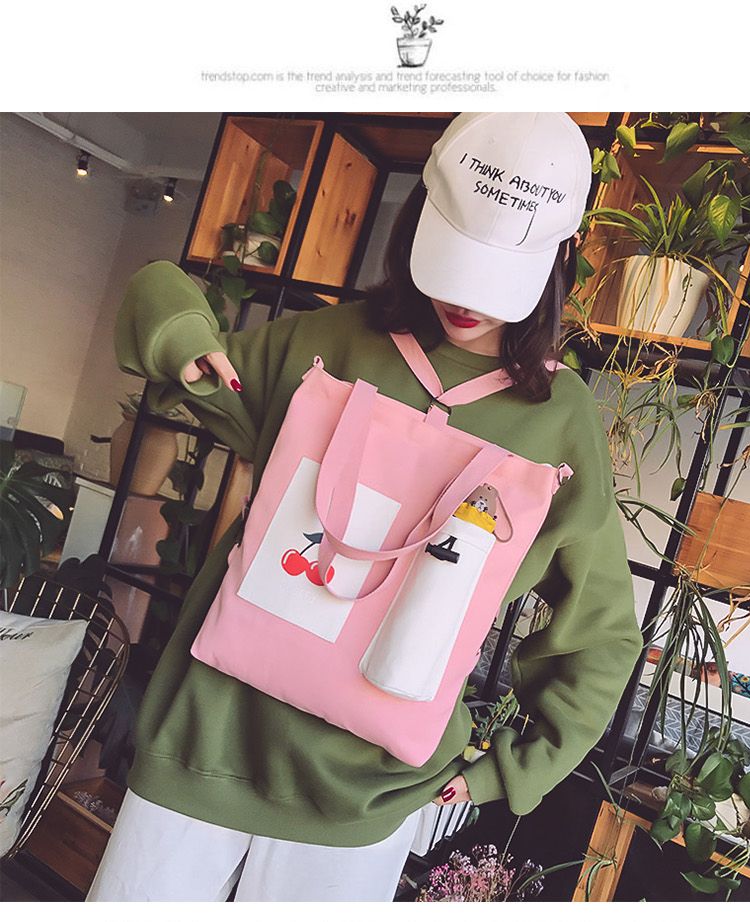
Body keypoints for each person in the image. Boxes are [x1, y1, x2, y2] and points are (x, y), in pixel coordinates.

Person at [87, 112, 644, 901]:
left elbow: (602, 633)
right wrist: (181, 333)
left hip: (370, 795)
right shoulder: (332, 340)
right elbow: (160, 295)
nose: (465, 300)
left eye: (495, 275)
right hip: (204, 743)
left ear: (560, 256)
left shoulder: (560, 419)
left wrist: (513, 770)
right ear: (420, 216)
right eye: (455, 256)